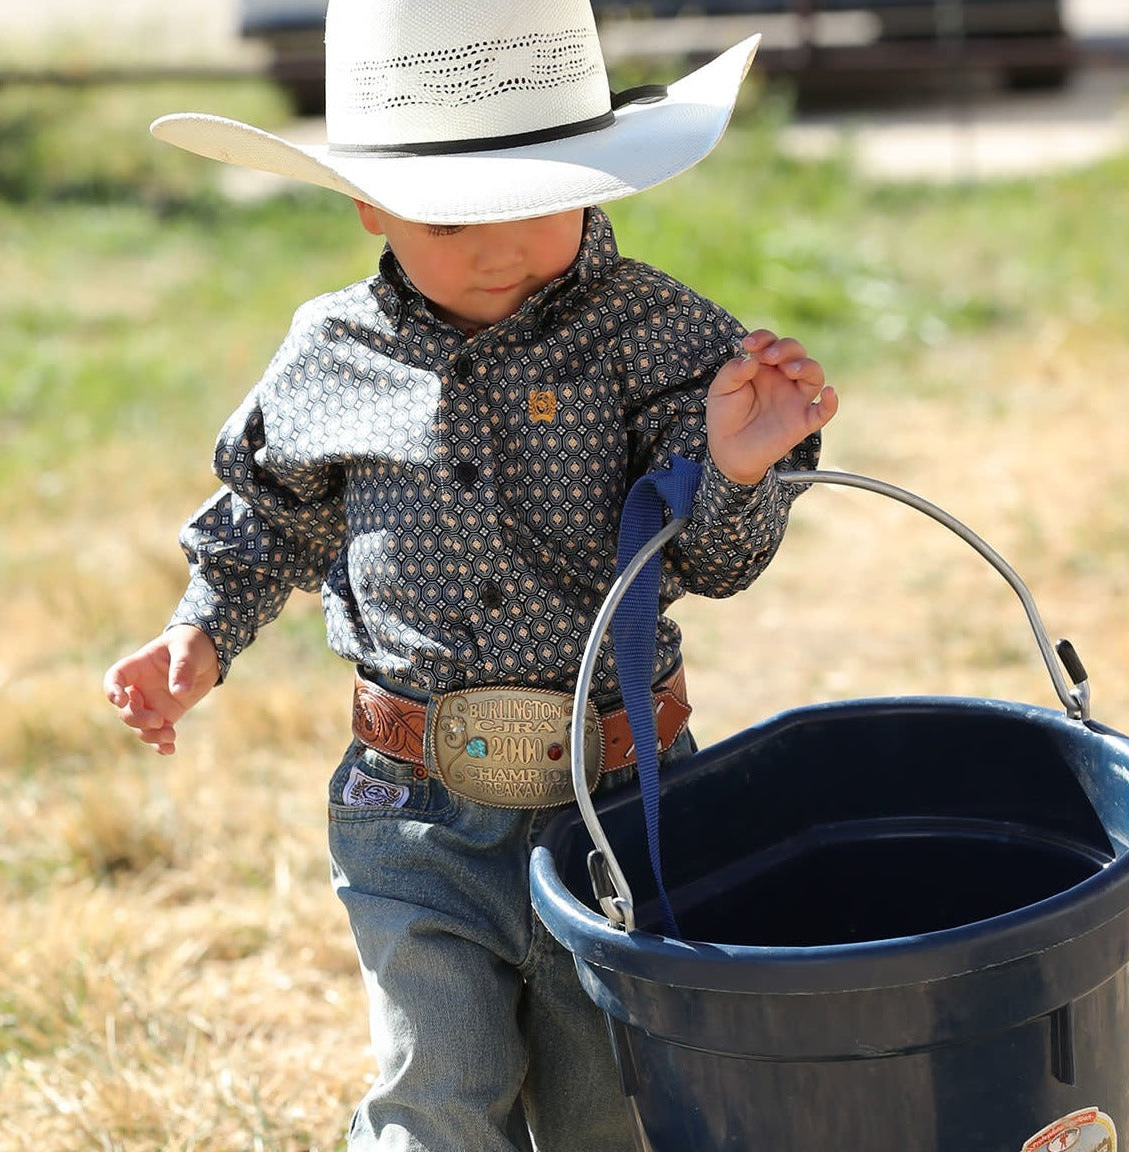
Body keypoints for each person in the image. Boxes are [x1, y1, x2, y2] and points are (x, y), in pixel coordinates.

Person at [103, 1, 838, 1148]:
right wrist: (200, 632)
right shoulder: (332, 353)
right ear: (368, 205)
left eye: (535, 204)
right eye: (449, 221)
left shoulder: (659, 338)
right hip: (413, 813)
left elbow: (712, 561)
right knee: (437, 1090)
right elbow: (266, 517)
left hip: (615, 797)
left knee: (612, 1111)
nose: (499, 249)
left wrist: (737, 471)